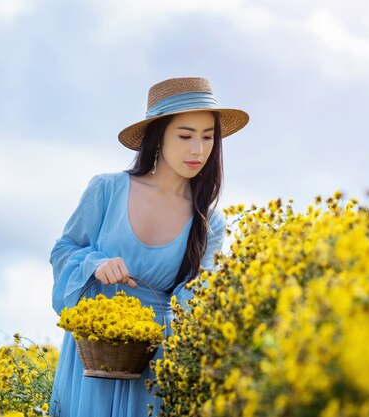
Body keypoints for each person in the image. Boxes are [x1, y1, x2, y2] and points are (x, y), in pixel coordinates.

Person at [48, 77, 249, 417]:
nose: (198, 150)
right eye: (185, 136)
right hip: (92, 353)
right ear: (158, 136)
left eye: (208, 137)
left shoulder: (209, 222)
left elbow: (196, 300)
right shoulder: (107, 189)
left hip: (154, 362)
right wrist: (95, 263)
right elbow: (64, 250)